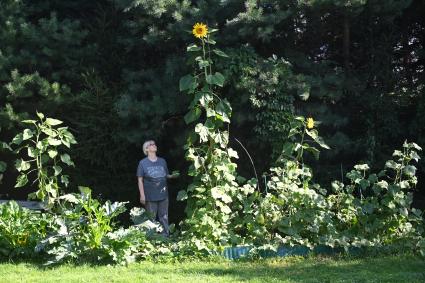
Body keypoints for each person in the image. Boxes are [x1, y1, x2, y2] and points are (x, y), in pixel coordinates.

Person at [136, 140, 178, 236]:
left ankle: (165, 238)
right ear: (146, 149)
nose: (154, 145)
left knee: (164, 217)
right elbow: (140, 180)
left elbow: (165, 175)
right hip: (150, 196)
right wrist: (142, 195)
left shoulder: (162, 161)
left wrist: (172, 176)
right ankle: (152, 239)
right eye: (151, 144)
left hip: (163, 195)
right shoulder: (143, 163)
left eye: (154, 144)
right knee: (151, 218)